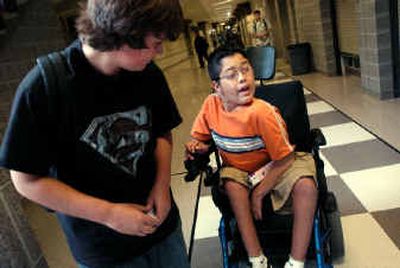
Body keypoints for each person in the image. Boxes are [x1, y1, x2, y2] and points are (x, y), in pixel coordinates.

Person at [0, 1, 191, 267]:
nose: (159, 52)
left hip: (162, 229)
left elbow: (161, 131)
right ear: (124, 35)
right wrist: (109, 214)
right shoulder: (44, 87)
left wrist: (161, 186)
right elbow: (25, 180)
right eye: (155, 42)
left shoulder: (148, 74)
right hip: (104, 248)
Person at [185, 48, 317, 268]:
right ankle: (258, 259)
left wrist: (259, 193)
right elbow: (200, 138)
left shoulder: (262, 112)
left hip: (277, 163)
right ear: (216, 86)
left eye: (246, 69)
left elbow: (285, 159)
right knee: (232, 185)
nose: (242, 78)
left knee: (307, 187)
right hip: (239, 167)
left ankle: (296, 261)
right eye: (231, 74)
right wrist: (196, 147)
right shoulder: (211, 105)